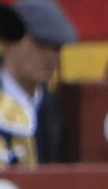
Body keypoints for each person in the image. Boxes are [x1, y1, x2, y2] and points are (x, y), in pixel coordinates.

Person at [0, 0, 72, 166]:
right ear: (9, 42)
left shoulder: (54, 108)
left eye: (56, 47)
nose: (50, 57)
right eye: (40, 44)